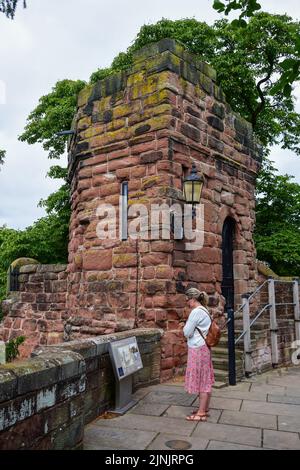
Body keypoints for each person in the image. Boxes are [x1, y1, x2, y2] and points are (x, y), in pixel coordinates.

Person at [183, 288, 215, 421]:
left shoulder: (196, 312)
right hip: (204, 347)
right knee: (205, 377)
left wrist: (184, 327)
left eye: (187, 300)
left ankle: (201, 413)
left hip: (197, 348)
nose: (187, 303)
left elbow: (186, 332)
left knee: (202, 380)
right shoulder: (204, 309)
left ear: (192, 299)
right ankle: (204, 408)